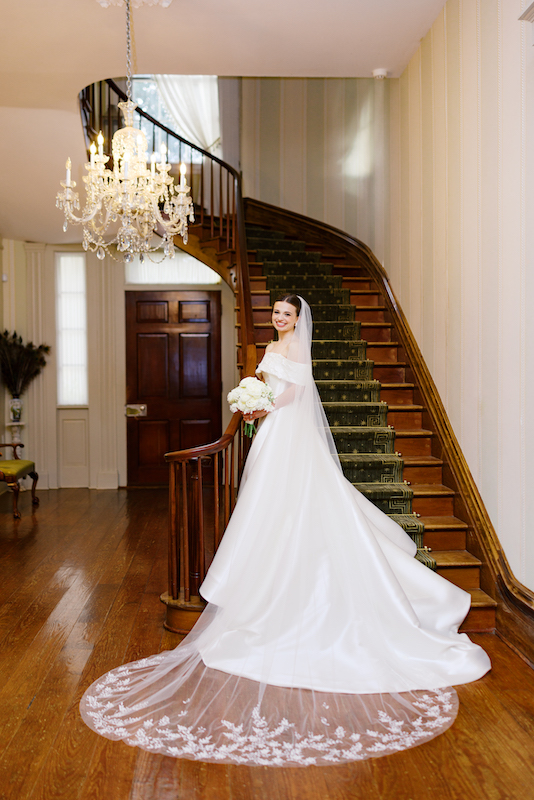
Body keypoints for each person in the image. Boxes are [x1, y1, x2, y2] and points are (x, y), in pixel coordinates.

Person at [80, 294, 490, 767]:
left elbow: (296, 393)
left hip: (288, 434)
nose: (279, 318)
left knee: (292, 507)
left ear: (298, 319)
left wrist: (264, 405)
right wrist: (253, 407)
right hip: (272, 434)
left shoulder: (294, 349)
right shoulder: (270, 347)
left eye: (287, 314)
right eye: (275, 313)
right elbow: (271, 387)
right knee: (264, 509)